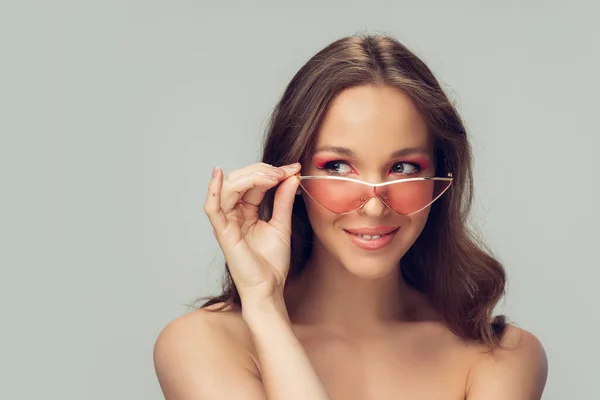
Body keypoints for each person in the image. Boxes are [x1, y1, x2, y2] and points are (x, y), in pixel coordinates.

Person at [153, 33, 548, 399]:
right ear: (290, 174)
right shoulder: (201, 344)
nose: (375, 206)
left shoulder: (504, 357)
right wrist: (263, 303)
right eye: (339, 167)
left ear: (439, 176)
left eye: (404, 168)